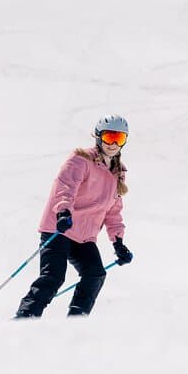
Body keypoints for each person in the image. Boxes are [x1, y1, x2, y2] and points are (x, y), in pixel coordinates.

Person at [14, 115, 134, 318]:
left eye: (119, 139)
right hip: (59, 227)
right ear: (98, 137)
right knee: (53, 276)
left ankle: (76, 319)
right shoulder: (81, 160)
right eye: (109, 137)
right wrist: (63, 212)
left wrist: (118, 243)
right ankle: (26, 317)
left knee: (95, 274)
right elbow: (65, 187)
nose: (113, 144)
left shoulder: (118, 173)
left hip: (83, 236)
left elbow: (113, 212)